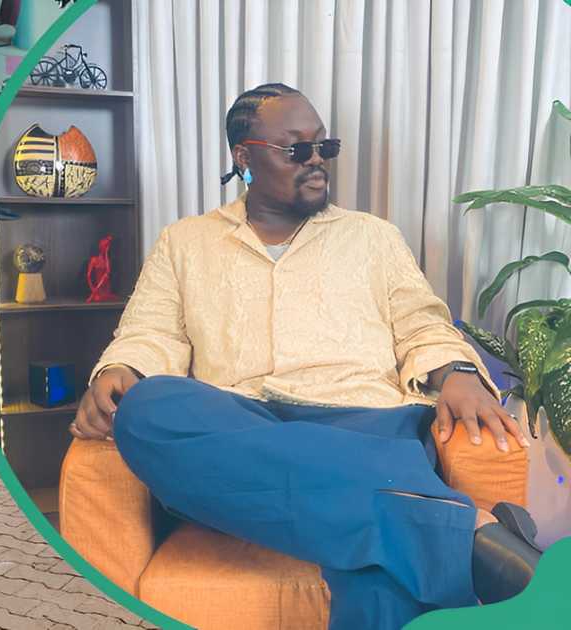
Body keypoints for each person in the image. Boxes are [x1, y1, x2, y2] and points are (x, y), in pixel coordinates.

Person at [70, 84, 542, 630]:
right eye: (297, 149)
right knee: (150, 408)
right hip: (240, 425)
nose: (317, 161)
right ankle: (467, 535)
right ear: (243, 156)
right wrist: (119, 368)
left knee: (382, 570)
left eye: (324, 146)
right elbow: (151, 329)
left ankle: (439, 531)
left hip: (366, 425)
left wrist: (457, 370)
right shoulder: (185, 242)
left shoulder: (373, 237)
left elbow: (421, 320)